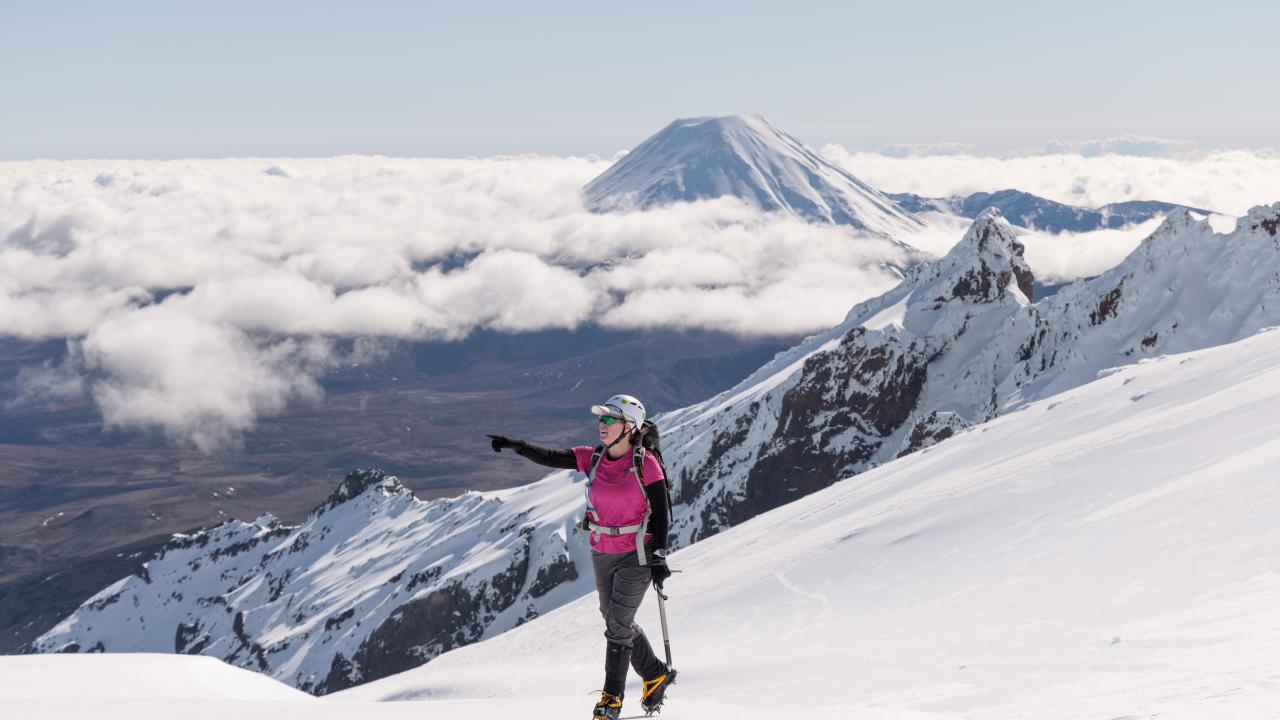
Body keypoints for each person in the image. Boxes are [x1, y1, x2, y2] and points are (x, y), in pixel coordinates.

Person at [487, 393, 676, 719]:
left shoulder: (646, 464)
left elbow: (661, 513)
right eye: (600, 419)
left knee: (617, 623)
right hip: (603, 552)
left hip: (638, 554)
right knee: (613, 616)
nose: (601, 425)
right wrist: (516, 444)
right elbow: (552, 457)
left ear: (629, 426)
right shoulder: (595, 458)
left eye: (609, 419)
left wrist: (658, 557)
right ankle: (655, 672)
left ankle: (611, 700)